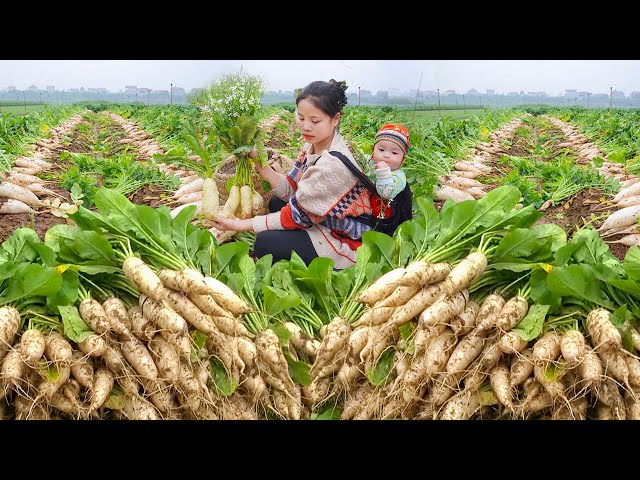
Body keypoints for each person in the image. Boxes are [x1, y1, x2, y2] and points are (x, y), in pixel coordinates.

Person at [209, 79, 376, 270]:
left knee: (264, 243)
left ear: (335, 119)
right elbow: (292, 189)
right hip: (325, 219)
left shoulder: (331, 166)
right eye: (300, 117)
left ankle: (327, 266)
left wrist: (238, 225)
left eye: (315, 121)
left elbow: (295, 216)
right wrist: (258, 162)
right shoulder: (312, 146)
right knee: (275, 202)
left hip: (347, 241)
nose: (305, 126)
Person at [367, 123, 410, 201]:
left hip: (378, 210)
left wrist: (383, 172)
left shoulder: (399, 177)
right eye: (381, 150)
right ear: (373, 150)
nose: (386, 155)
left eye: (394, 153)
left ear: (402, 159)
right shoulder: (369, 162)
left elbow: (386, 194)